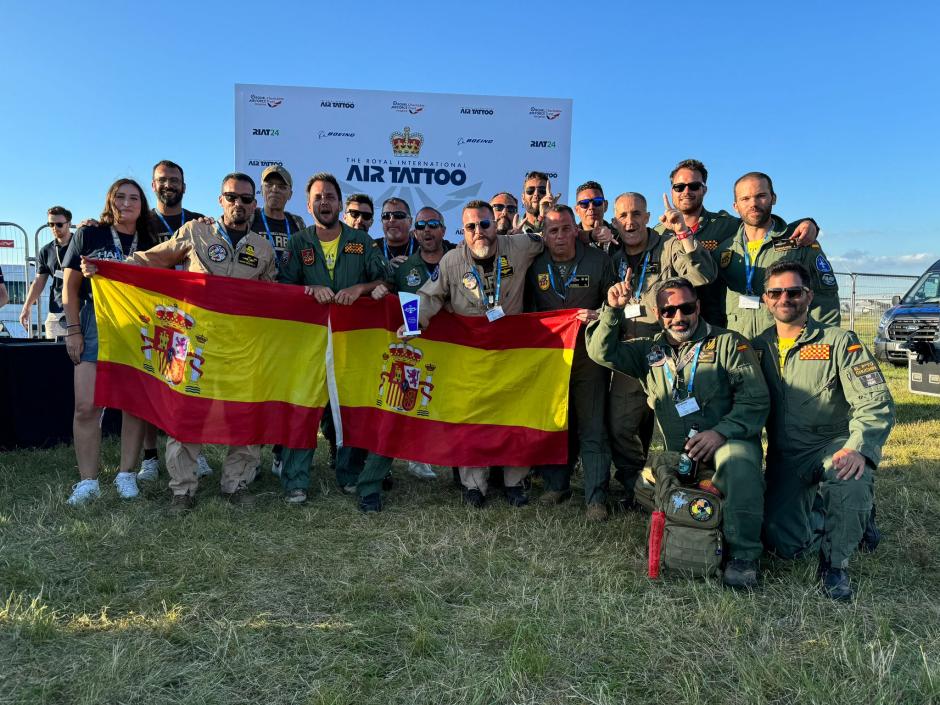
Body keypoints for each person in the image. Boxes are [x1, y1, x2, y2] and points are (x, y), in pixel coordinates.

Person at [82, 173, 277, 512]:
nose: (239, 204)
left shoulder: (262, 248)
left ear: (254, 204)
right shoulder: (194, 231)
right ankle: (182, 489)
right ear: (221, 200)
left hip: (241, 346)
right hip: (193, 340)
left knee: (245, 414)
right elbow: (150, 259)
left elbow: (274, 295)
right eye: (232, 197)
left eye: (246, 199)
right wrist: (107, 268)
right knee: (186, 413)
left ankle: (236, 484)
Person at [586, 276, 770, 589]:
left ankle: (744, 555)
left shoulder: (728, 343)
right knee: (645, 486)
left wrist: (720, 433)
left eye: (686, 308)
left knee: (737, 465)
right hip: (683, 457)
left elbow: (756, 399)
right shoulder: (649, 351)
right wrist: (613, 311)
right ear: (658, 315)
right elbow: (601, 352)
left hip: (727, 445)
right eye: (669, 311)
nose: (678, 317)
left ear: (698, 307)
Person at [752, 262, 895, 600]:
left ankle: (835, 563)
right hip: (786, 455)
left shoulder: (839, 341)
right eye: (776, 292)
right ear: (766, 299)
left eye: (794, 292)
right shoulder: (756, 348)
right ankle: (836, 515)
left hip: (833, 444)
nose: (785, 298)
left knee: (849, 476)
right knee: (782, 544)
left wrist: (859, 447)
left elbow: (874, 401)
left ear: (809, 296)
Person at [403, 200, 544, 508]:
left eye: (484, 224)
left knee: (513, 417)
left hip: (510, 352)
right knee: (473, 418)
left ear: (496, 224)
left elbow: (548, 239)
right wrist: (412, 324)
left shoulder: (519, 246)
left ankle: (515, 483)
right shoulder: (452, 261)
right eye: (470, 227)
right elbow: (427, 295)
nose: (479, 232)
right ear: (462, 231)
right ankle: (473, 486)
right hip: (471, 355)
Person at [277, 173, 389, 505]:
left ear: (339, 204)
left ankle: (349, 474)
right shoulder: (299, 241)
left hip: (350, 344)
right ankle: (296, 479)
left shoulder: (361, 240)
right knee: (304, 408)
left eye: (330, 196)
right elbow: (284, 288)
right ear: (308, 204)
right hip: (309, 344)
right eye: (318, 197)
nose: (324, 201)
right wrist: (306, 290)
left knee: (349, 407)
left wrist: (361, 288)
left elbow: (385, 278)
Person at [606, 192, 718, 504]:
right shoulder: (612, 257)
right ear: (615, 222)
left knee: (676, 427)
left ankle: (685, 484)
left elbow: (703, 275)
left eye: (637, 214)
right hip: (631, 355)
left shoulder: (668, 246)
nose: (630, 221)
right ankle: (634, 484)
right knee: (620, 426)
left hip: (668, 358)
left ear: (647, 216)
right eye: (624, 216)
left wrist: (683, 232)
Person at [61, 178, 157, 505]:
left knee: (134, 405)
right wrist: (72, 330)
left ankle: (126, 473)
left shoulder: (150, 239)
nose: (127, 203)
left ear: (142, 205)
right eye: (121, 197)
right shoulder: (89, 234)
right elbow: (69, 289)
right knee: (86, 405)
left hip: (138, 325)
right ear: (110, 200)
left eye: (134, 198)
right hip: (94, 323)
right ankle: (88, 481)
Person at [524, 205, 616, 520]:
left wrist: (600, 315)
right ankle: (556, 484)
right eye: (553, 231)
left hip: (589, 357)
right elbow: (527, 312)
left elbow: (617, 308)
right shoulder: (534, 266)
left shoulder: (599, 261)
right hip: (551, 361)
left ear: (576, 229)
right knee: (557, 423)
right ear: (544, 236)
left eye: (565, 228)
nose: (560, 235)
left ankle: (596, 497)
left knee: (592, 427)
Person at [656, 159, 819, 326]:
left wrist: (809, 224)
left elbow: (759, 223)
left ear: (704, 190)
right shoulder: (658, 234)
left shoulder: (725, 225)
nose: (686, 191)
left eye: (694, 186)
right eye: (679, 187)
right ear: (672, 190)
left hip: (715, 324)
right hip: (670, 321)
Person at [715, 172, 840, 340]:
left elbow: (826, 300)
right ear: (735, 206)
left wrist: (821, 343)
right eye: (745, 199)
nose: (753, 203)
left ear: (773, 198)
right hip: (739, 348)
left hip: (785, 344)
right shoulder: (725, 249)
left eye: (761, 196)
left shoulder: (799, 241)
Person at [19, 206, 72, 338]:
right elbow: (39, 281)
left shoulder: (81, 244)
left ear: (69, 224)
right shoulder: (46, 250)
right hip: (57, 310)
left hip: (81, 309)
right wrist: (26, 307)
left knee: (83, 355)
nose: (55, 228)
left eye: (59, 224)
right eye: (51, 224)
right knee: (53, 354)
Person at [251, 164, 306, 269]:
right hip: (257, 283)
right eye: (269, 185)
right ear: (262, 190)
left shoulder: (298, 223)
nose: (275, 189)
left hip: (288, 283)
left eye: (282, 187)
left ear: (290, 194)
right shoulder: (249, 217)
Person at [149, 160, 205, 243]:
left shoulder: (198, 221)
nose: (168, 185)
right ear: (153, 186)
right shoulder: (143, 221)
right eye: (162, 180)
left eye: (174, 180)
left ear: (184, 187)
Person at [573, 180, 619, 255]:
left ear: (606, 205)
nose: (591, 207)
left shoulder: (620, 235)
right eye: (584, 203)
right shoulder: (570, 238)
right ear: (577, 210)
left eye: (597, 201)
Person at [375, 197, 418, 271]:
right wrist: (385, 270)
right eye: (386, 216)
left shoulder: (422, 248)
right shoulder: (371, 248)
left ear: (410, 221)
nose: (391, 220)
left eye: (398, 215)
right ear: (382, 221)